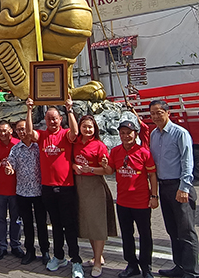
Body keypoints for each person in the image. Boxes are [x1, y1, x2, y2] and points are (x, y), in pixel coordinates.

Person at [26, 97, 84, 278]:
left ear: (60, 119)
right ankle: (59, 256)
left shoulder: (65, 134)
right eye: (49, 118)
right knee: (56, 225)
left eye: (55, 118)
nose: (52, 121)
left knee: (70, 225)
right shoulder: (42, 136)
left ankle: (76, 260)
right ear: (45, 120)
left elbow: (75, 132)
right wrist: (29, 109)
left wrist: (70, 110)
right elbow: (29, 133)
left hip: (66, 187)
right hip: (48, 188)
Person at [148, 100, 199, 278]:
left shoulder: (180, 133)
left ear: (168, 113)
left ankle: (191, 272)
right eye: (152, 113)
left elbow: (187, 162)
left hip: (180, 187)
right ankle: (179, 267)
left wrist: (184, 187)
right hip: (164, 187)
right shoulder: (153, 134)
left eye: (159, 112)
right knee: (173, 230)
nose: (155, 116)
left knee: (186, 231)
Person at [101, 120, 158, 278]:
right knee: (127, 235)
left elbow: (152, 175)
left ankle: (146, 266)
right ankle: (131, 265)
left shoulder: (143, 152)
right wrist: (104, 164)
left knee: (145, 235)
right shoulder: (116, 152)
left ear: (136, 134)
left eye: (129, 133)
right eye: (123, 133)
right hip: (122, 202)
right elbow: (109, 171)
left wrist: (154, 196)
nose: (126, 136)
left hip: (141, 201)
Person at [72, 115, 117, 277]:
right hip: (79, 186)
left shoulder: (99, 145)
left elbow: (108, 170)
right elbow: (69, 160)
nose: (87, 130)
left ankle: (98, 262)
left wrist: (90, 169)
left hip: (94, 186)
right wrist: (74, 166)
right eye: (84, 126)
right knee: (88, 223)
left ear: (95, 129)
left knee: (97, 224)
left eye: (90, 127)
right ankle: (97, 255)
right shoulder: (75, 143)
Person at [5, 119, 50, 266]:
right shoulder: (16, 149)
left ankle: (45, 251)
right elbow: (11, 165)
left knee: (41, 223)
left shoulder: (39, 146)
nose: (22, 132)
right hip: (22, 192)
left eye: (24, 129)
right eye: (18, 130)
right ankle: (30, 250)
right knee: (27, 223)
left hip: (39, 191)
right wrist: (9, 169)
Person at [0, 121, 23, 260]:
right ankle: (2, 246)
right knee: (0, 219)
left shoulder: (18, 144)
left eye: (5, 130)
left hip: (16, 189)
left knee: (16, 219)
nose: (3, 133)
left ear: (11, 130)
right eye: (0, 131)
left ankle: (15, 245)